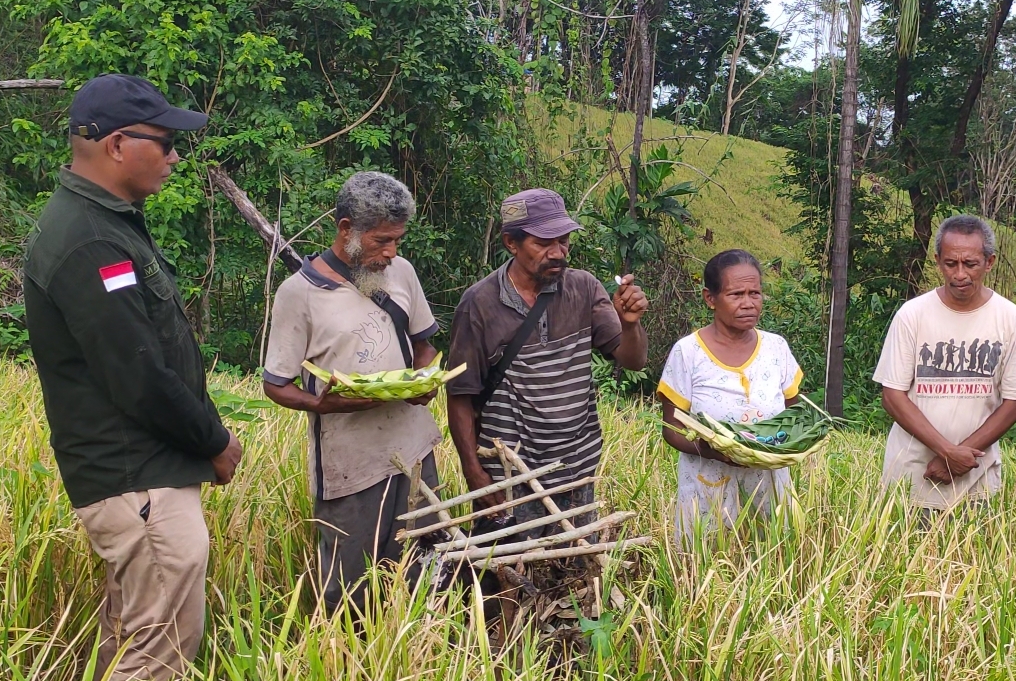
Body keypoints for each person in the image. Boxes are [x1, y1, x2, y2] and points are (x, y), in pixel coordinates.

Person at [23, 73, 241, 681]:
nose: (175, 156)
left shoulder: (106, 226)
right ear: (119, 144)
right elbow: (140, 376)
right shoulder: (91, 241)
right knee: (160, 650)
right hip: (137, 478)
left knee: (131, 636)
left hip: (140, 475)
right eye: (167, 142)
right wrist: (215, 441)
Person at [262, 172, 446, 613]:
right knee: (350, 585)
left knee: (426, 566)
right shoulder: (299, 294)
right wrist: (322, 404)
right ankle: (346, 664)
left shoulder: (400, 272)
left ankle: (423, 654)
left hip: (414, 450)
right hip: (350, 463)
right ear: (347, 230)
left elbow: (424, 344)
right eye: (382, 241)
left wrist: (425, 380)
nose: (391, 252)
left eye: (397, 240)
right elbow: (275, 384)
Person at [444, 188, 648, 537]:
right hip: (509, 472)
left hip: (576, 464)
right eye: (543, 243)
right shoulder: (479, 304)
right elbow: (460, 396)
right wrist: (474, 473)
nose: (557, 253)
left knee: (573, 569)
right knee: (508, 573)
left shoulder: (583, 289)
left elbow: (633, 360)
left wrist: (630, 324)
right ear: (512, 242)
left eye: (564, 241)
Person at [873, 215, 1016, 515]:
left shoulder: (1010, 319)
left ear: (989, 262)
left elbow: (1015, 402)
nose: (960, 274)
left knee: (974, 561)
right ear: (937, 261)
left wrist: (957, 461)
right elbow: (892, 396)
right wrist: (947, 451)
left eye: (970, 264)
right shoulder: (913, 315)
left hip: (976, 479)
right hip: (912, 476)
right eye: (950, 263)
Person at [657, 250, 805, 534]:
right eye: (736, 294)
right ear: (710, 299)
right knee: (706, 565)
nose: (748, 303)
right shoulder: (689, 353)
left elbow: (793, 417)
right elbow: (671, 429)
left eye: (755, 293)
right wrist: (715, 451)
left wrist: (781, 448)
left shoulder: (776, 348)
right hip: (708, 489)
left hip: (769, 488)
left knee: (771, 562)